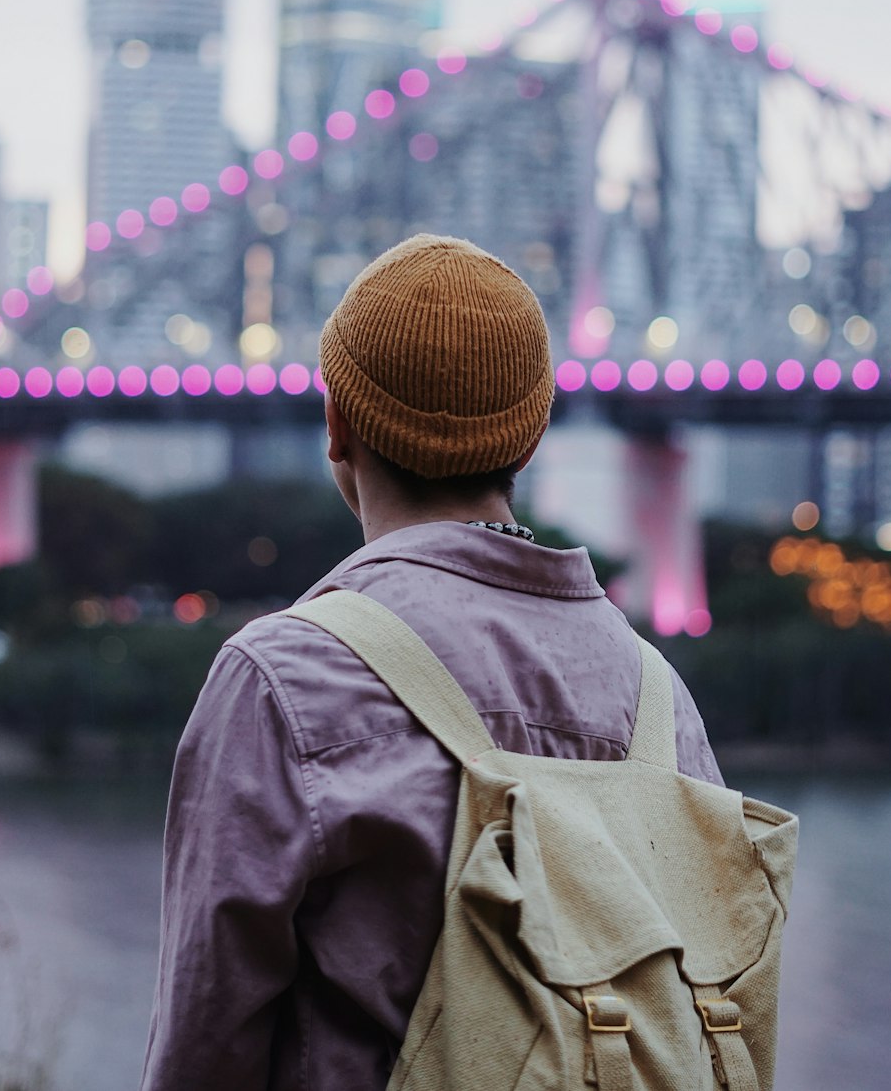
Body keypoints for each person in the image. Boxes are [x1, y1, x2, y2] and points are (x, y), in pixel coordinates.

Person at [139, 233, 722, 1091]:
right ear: (529, 438)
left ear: (337, 423)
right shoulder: (657, 697)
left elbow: (206, 1043)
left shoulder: (282, 679)